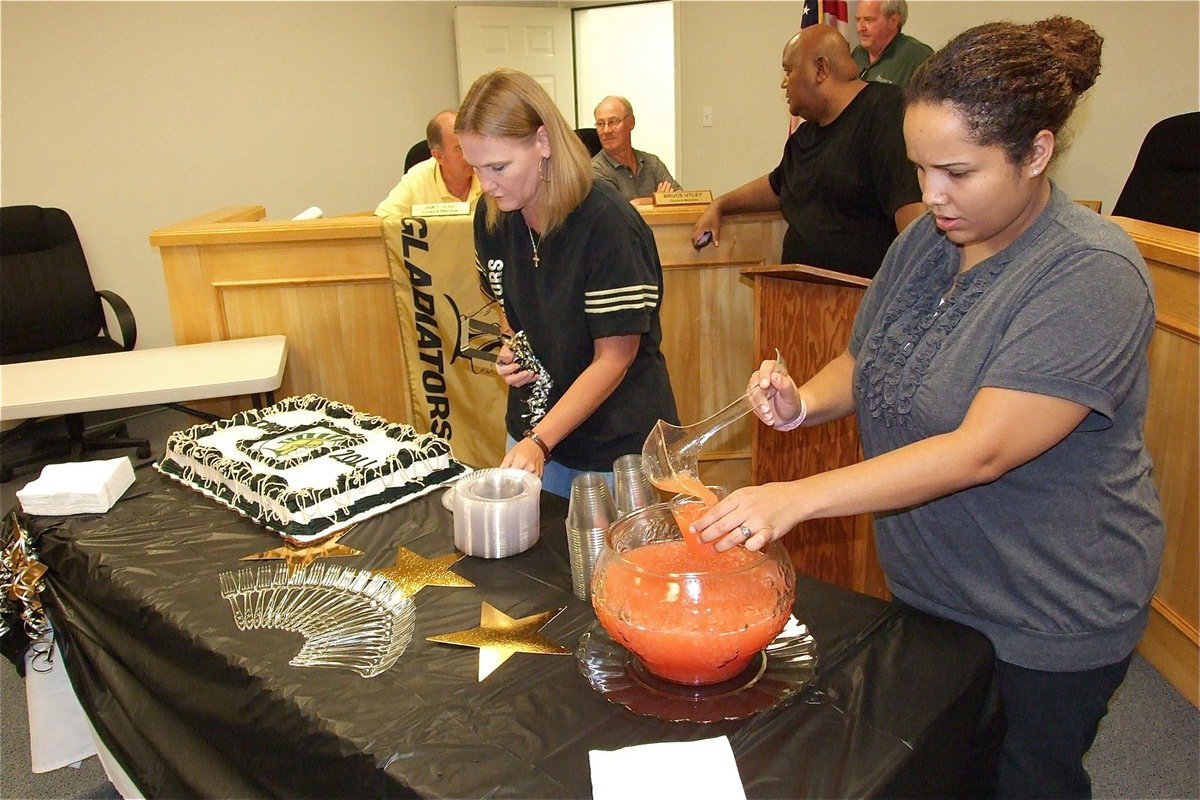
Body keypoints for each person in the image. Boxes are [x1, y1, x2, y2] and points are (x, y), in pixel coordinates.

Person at [693, 17, 1164, 800]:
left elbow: (980, 448)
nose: (930, 196)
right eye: (919, 170)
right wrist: (802, 403)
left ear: (1037, 153)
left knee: (1025, 781)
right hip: (934, 591)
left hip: (1049, 611)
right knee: (941, 772)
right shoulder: (924, 243)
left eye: (957, 171)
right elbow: (865, 360)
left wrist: (797, 497)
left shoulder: (1090, 275)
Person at [455, 69, 679, 498]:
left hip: (612, 448)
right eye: (476, 168)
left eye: (499, 166)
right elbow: (508, 307)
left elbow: (615, 359)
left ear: (543, 142)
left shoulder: (606, 222)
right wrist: (510, 348)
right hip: (534, 434)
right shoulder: (493, 219)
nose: (486, 184)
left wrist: (541, 440)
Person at [692, 25, 924, 279]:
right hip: (799, 302)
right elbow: (779, 185)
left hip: (859, 303)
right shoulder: (805, 136)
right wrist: (721, 204)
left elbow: (912, 215)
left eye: (788, 71)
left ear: (821, 69)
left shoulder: (884, 112)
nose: (783, 83)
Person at [375, 110, 482, 218]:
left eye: (471, 143)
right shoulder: (417, 179)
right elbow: (381, 220)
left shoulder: (487, 172)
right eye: (459, 148)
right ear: (439, 156)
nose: (471, 153)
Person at [590, 95, 681, 205]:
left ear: (631, 122)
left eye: (613, 122)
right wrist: (659, 200)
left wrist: (640, 203)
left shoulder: (653, 162)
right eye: (600, 124)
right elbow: (617, 212)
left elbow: (679, 197)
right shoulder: (595, 170)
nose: (606, 130)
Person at [852, 0, 933, 87]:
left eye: (869, 20)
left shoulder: (918, 57)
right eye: (858, 20)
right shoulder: (858, 53)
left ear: (893, 21)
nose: (861, 28)